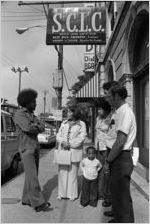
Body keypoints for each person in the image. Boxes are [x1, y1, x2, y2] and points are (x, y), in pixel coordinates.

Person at [103, 84, 137, 223]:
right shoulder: (119, 111)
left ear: (116, 96)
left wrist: (108, 161)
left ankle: (125, 220)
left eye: (109, 96)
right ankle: (118, 217)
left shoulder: (125, 112)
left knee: (122, 195)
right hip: (117, 155)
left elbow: (120, 141)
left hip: (120, 157)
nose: (107, 98)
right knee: (116, 191)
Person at [14, 88, 51, 212]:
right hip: (26, 148)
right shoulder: (19, 114)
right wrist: (36, 126)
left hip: (35, 147)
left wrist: (36, 126)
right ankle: (38, 202)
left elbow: (42, 127)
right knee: (33, 176)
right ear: (26, 102)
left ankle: (26, 199)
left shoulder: (32, 115)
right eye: (33, 102)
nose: (35, 104)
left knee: (31, 176)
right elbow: (27, 128)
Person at [56, 105, 87, 201]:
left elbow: (82, 137)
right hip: (63, 152)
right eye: (67, 112)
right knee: (62, 172)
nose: (68, 113)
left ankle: (72, 194)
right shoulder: (63, 123)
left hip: (74, 152)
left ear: (75, 113)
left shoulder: (81, 124)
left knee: (73, 173)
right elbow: (58, 135)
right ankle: (62, 194)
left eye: (70, 112)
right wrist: (62, 142)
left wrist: (70, 144)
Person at [95, 99, 111, 200]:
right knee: (99, 169)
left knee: (106, 171)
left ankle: (107, 194)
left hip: (106, 148)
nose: (98, 111)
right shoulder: (98, 118)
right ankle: (100, 193)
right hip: (99, 147)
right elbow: (97, 132)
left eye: (100, 109)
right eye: (98, 109)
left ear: (105, 109)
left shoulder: (110, 118)